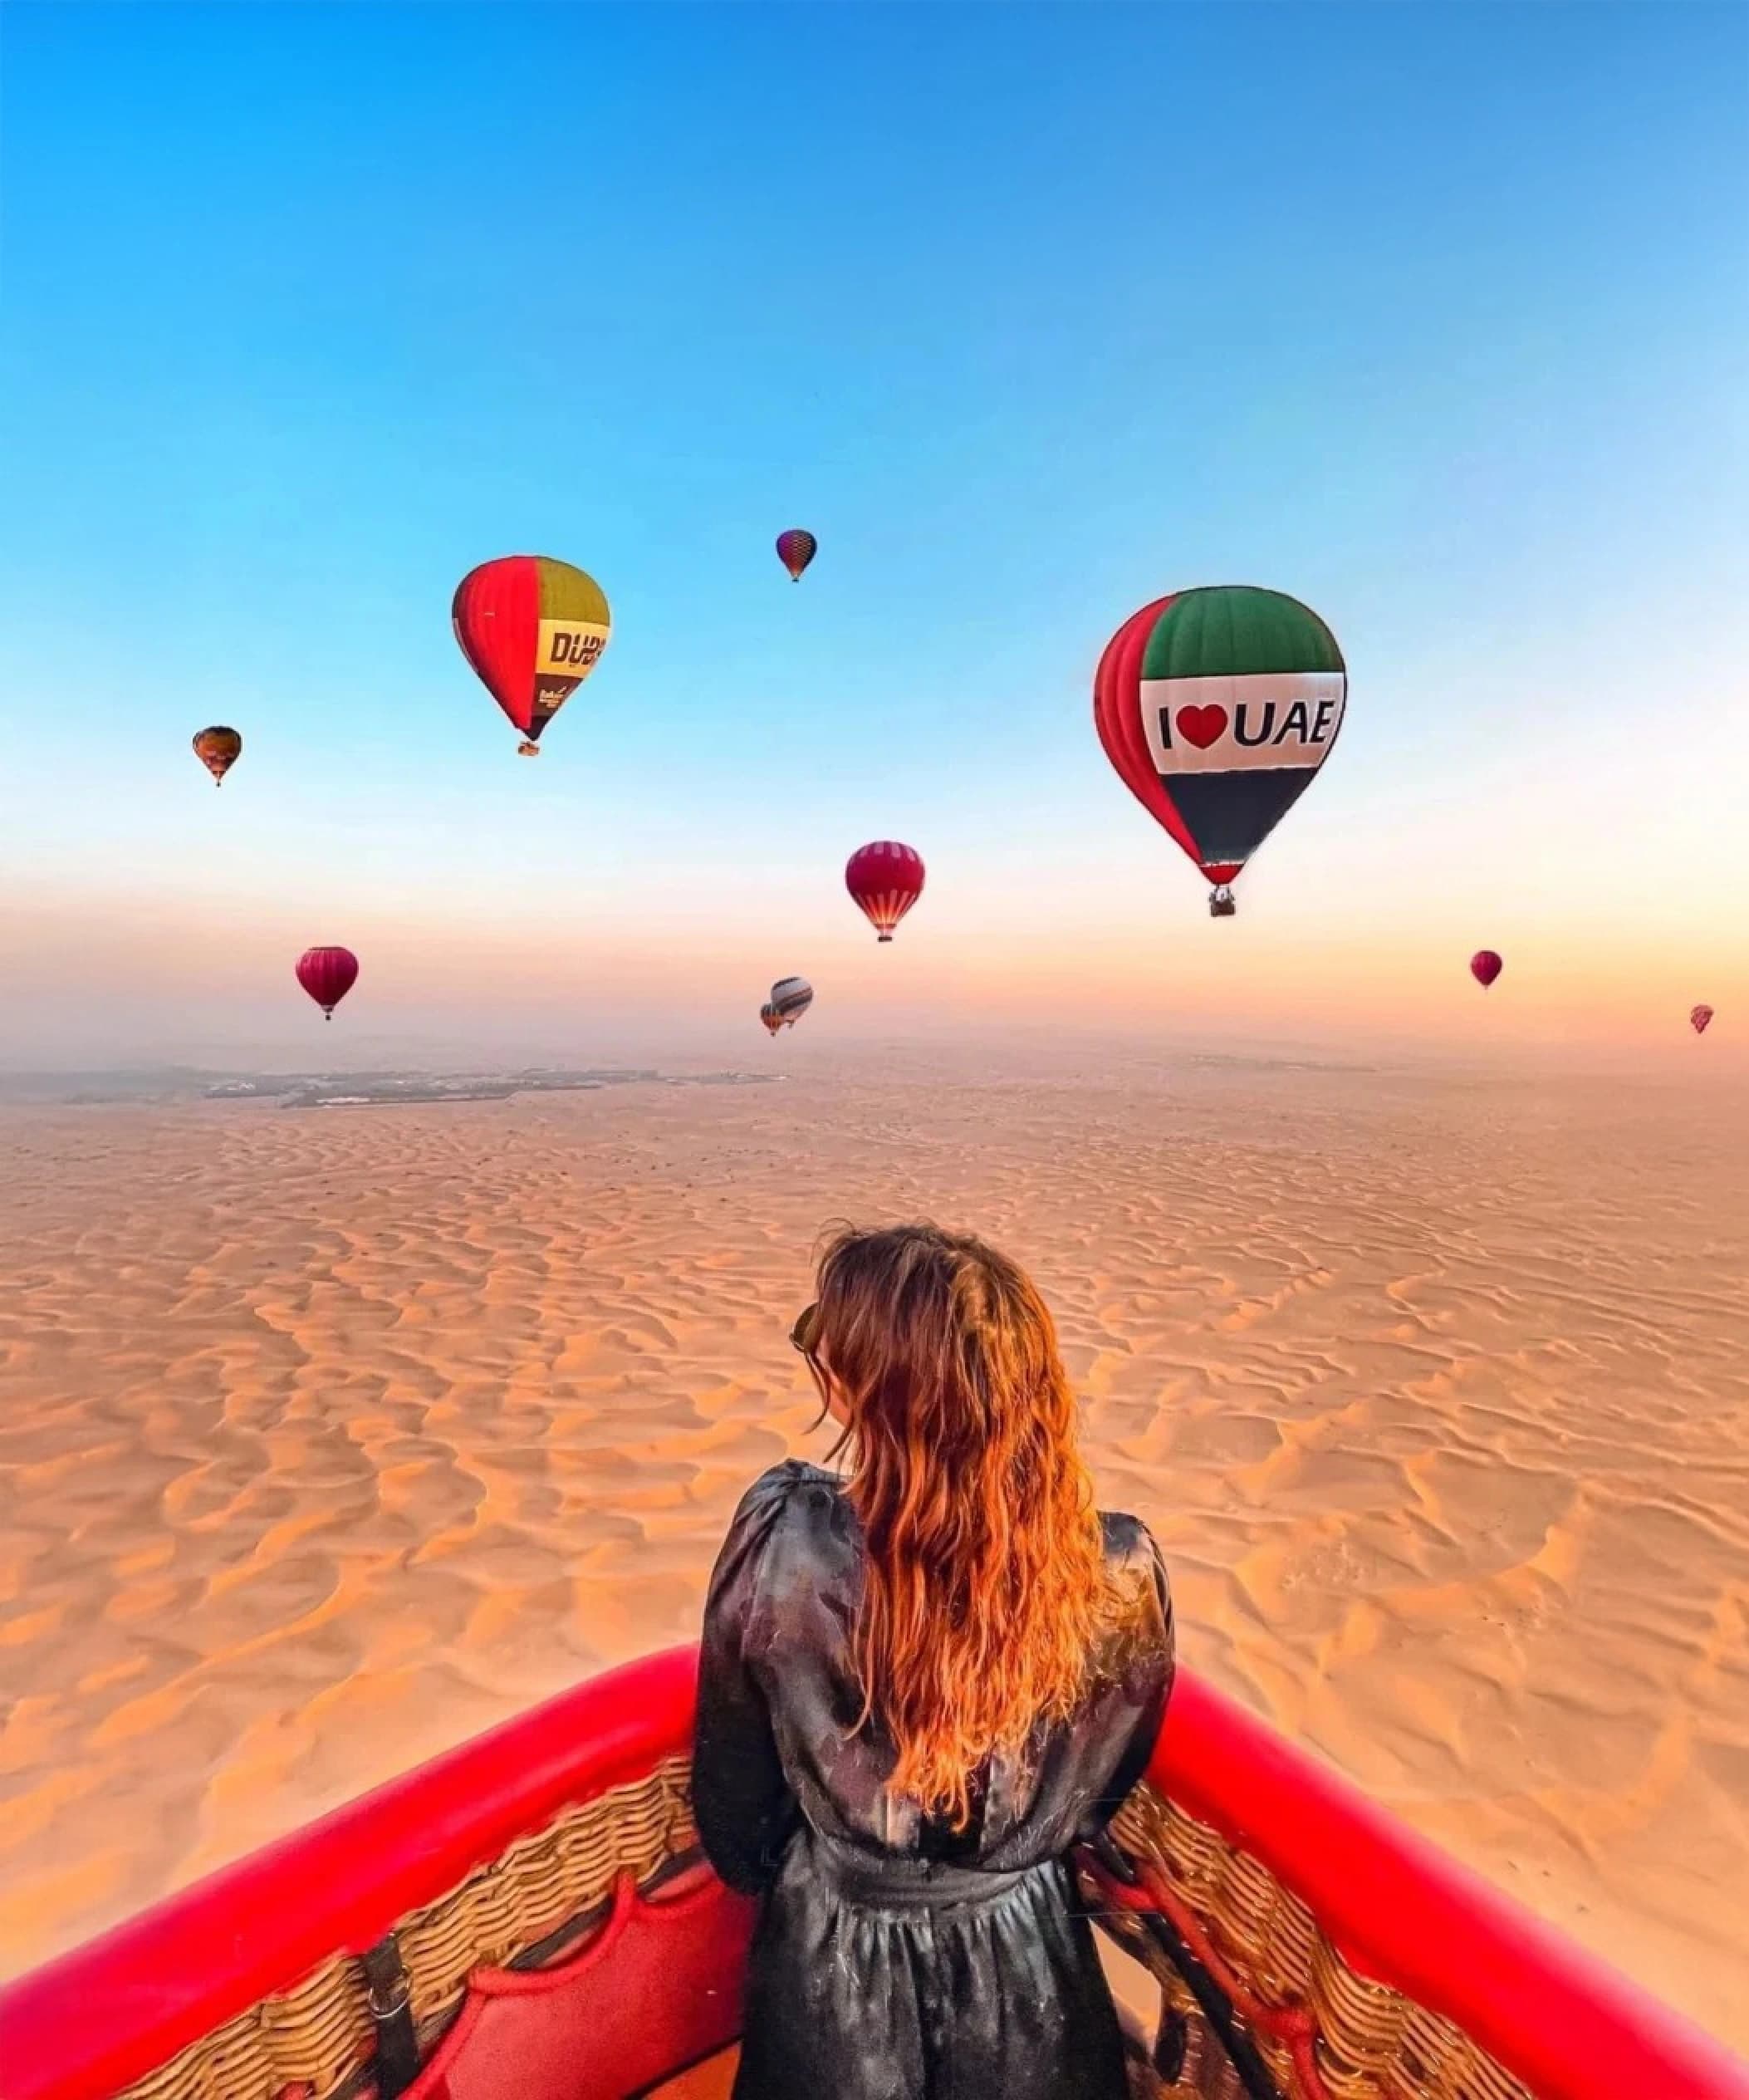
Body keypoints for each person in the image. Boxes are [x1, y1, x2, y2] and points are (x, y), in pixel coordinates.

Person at [693, 1224, 1174, 2100]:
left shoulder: (783, 1542)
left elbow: (736, 1804)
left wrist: (834, 1869)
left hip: (832, 1962)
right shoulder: (1118, 1572)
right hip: (1030, 1964)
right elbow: (1108, 1781)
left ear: (868, 1395)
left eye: (821, 1340)